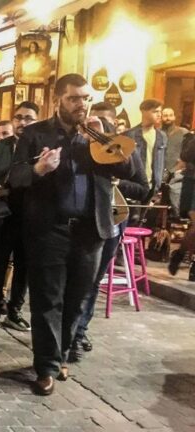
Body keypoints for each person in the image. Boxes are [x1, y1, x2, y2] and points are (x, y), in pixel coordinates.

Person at [9, 73, 135, 396]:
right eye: (74, 98)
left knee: (77, 299)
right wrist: (38, 170)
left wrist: (105, 136)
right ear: (58, 100)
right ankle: (47, 367)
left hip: (90, 231)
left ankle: (63, 354)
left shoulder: (98, 137)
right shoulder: (36, 134)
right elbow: (14, 175)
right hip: (49, 229)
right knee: (47, 299)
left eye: (85, 98)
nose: (81, 104)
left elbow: (132, 170)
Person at [69, 117, 149, 362]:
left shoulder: (121, 151)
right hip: (79, 221)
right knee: (73, 280)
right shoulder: (79, 149)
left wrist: (116, 181)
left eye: (100, 127)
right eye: (90, 127)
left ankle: (79, 332)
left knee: (93, 280)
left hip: (109, 221)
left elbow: (143, 187)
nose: (94, 131)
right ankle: (68, 333)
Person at [0, 101, 39, 327]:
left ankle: (15, 310)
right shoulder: (0, 147)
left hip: (32, 214)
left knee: (25, 264)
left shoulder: (40, 147)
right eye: (18, 117)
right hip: (4, 214)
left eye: (28, 118)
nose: (22, 122)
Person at [126, 99, 166, 192]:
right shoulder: (130, 135)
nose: (159, 115)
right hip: (135, 186)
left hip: (154, 187)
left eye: (160, 112)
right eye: (155, 111)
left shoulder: (162, 136)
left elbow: (163, 160)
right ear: (143, 111)